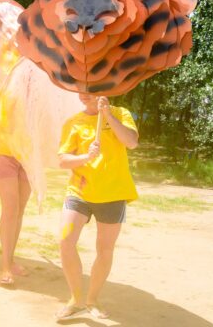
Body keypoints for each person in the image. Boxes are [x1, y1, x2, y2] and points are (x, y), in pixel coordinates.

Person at [56, 94, 139, 320]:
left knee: (104, 250)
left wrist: (108, 115)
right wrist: (85, 156)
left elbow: (131, 142)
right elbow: (62, 160)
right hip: (79, 193)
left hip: (113, 194)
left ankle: (92, 299)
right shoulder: (74, 122)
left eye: (90, 89)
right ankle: (75, 298)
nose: (84, 94)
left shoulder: (121, 114)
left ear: (104, 91)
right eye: (81, 89)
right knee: (65, 242)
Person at [0, 93, 32, 285]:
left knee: (20, 209)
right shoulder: (3, 90)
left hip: (28, 156)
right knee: (11, 207)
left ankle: (11, 260)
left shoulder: (40, 94)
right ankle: (5, 267)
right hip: (2, 153)